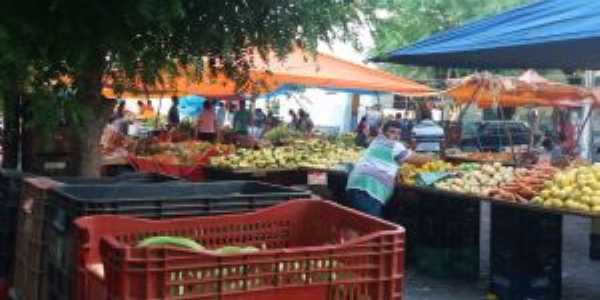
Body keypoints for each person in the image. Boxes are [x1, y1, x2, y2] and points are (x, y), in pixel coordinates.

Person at [346, 120, 431, 218]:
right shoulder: (394, 146)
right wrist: (433, 157)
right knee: (370, 227)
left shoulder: (376, 141)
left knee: (358, 224)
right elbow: (418, 159)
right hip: (370, 189)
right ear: (384, 133)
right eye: (392, 132)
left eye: (399, 133)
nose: (396, 136)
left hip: (354, 184)